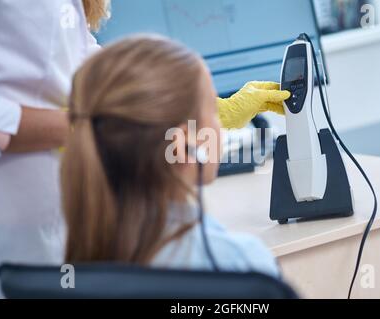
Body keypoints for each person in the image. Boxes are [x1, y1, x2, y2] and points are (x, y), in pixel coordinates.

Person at [0, 0, 287, 297]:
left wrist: (208, 111)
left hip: (65, 250)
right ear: (185, 142)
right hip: (21, 232)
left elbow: (105, 81)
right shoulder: (241, 262)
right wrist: (83, 125)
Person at [62, 35, 280, 277]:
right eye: (213, 110)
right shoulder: (242, 262)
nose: (219, 125)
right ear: (182, 145)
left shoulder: (69, 267)